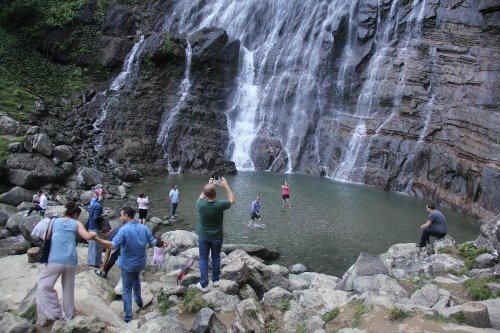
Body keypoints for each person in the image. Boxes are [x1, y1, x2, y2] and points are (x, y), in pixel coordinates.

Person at [92, 206, 167, 323]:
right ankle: (139, 300)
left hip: (128, 265)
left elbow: (113, 245)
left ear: (126, 216)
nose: (120, 217)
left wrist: (97, 239)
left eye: (122, 215)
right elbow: (153, 242)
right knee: (136, 278)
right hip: (140, 263)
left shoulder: (124, 230)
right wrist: (162, 243)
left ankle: (128, 317)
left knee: (126, 290)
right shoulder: (144, 227)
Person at [36, 201, 96, 324]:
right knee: (68, 288)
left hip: (55, 260)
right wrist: (94, 233)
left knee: (44, 286)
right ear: (75, 215)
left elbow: (46, 237)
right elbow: (87, 237)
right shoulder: (77, 223)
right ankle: (68, 316)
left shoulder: (54, 221)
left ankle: (55, 312)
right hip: (71, 261)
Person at [196, 177, 235, 292]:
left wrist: (209, 184)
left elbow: (202, 196)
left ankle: (203, 285)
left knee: (203, 258)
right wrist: (226, 185)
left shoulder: (200, 203)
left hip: (203, 236)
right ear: (215, 193)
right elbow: (232, 200)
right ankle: (216, 280)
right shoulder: (220, 204)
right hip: (217, 237)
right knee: (216, 257)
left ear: (205, 194)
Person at [87, 192, 106, 267]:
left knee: (93, 245)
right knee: (97, 245)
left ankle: (92, 261)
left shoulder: (93, 202)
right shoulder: (98, 205)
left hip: (91, 226)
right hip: (95, 227)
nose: (104, 196)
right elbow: (95, 218)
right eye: (102, 195)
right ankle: (95, 263)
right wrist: (103, 215)